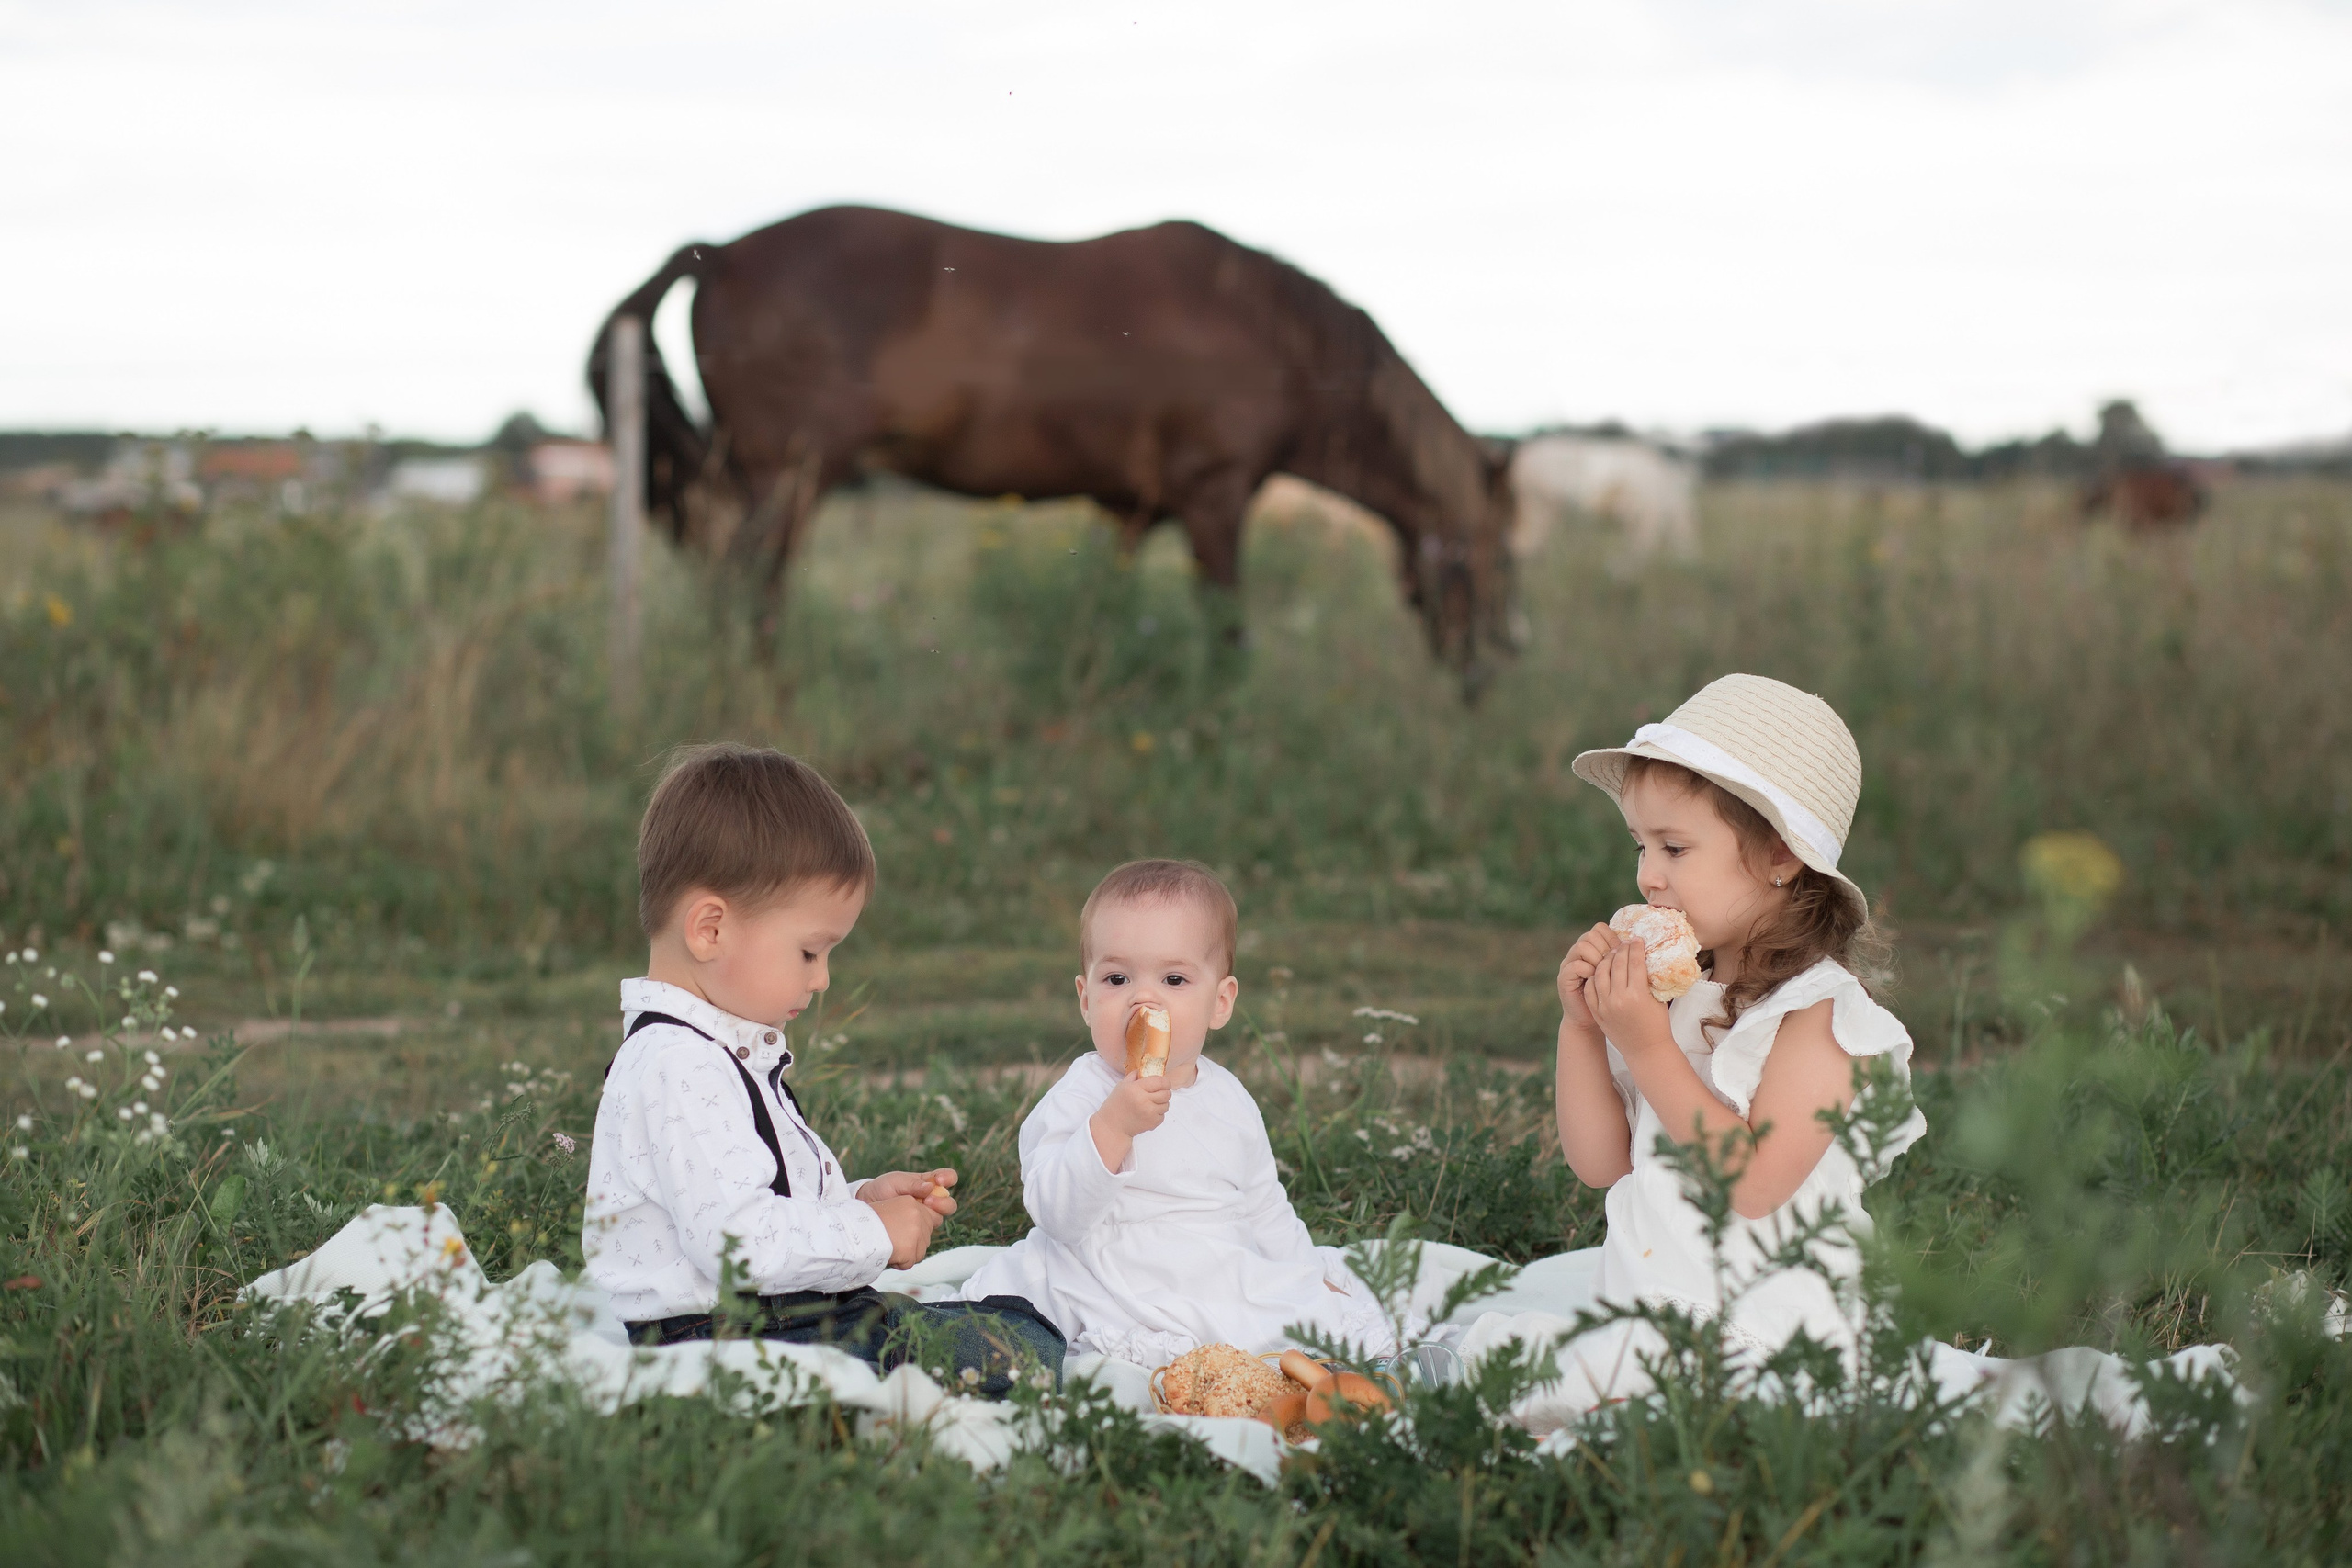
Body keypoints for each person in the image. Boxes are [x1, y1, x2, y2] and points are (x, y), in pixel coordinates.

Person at [1455, 674, 1928, 1430]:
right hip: (1654, 1310)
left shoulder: (1823, 1019)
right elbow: (1604, 1163)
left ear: (1779, 855)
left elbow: (1752, 1185)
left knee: (1551, 1370)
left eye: (1675, 846)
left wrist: (1647, 1046)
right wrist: (1581, 1028)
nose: (1648, 875)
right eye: (1641, 845)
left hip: (1771, 1330)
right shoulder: (1683, 997)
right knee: (1573, 1365)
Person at [583, 742, 1063, 1393]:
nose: (823, 978)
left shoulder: (712, 1049)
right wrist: (870, 1232)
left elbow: (753, 1198)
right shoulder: (678, 1065)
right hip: (729, 1336)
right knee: (1020, 1354)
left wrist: (857, 1198)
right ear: (711, 930)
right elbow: (739, 1244)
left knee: (1017, 1327)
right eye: (810, 951)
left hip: (776, 1318)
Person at [952, 860, 1393, 1367]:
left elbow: (1264, 1205)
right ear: (1085, 999)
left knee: (1300, 1312)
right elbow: (1057, 1213)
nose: (1143, 998)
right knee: (1027, 1305)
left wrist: (1301, 1275)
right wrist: (1112, 1128)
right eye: (1117, 978)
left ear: (1220, 1002)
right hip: (1104, 1266)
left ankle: (1377, 1367)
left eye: (1174, 979)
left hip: (1210, 1264)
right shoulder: (1083, 1092)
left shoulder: (1228, 1098)